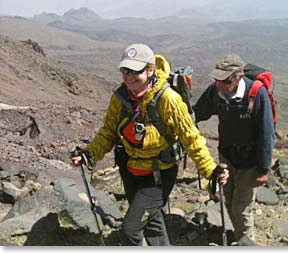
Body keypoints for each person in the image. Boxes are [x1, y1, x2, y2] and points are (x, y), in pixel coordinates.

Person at [70, 43, 229, 246]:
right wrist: (89, 154)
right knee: (152, 223)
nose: (129, 76)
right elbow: (108, 132)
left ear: (150, 70)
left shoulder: (168, 99)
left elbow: (191, 138)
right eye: (125, 70)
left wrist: (211, 171)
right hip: (130, 170)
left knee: (130, 230)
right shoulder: (120, 98)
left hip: (158, 175)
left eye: (135, 71)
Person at [193, 54, 275, 245]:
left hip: (250, 160)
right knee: (228, 200)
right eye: (218, 79)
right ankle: (238, 237)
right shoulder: (216, 91)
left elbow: (266, 133)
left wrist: (263, 169)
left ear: (239, 76)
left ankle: (248, 243)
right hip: (227, 156)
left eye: (226, 80)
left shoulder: (257, 94)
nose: (220, 84)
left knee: (241, 207)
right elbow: (198, 112)